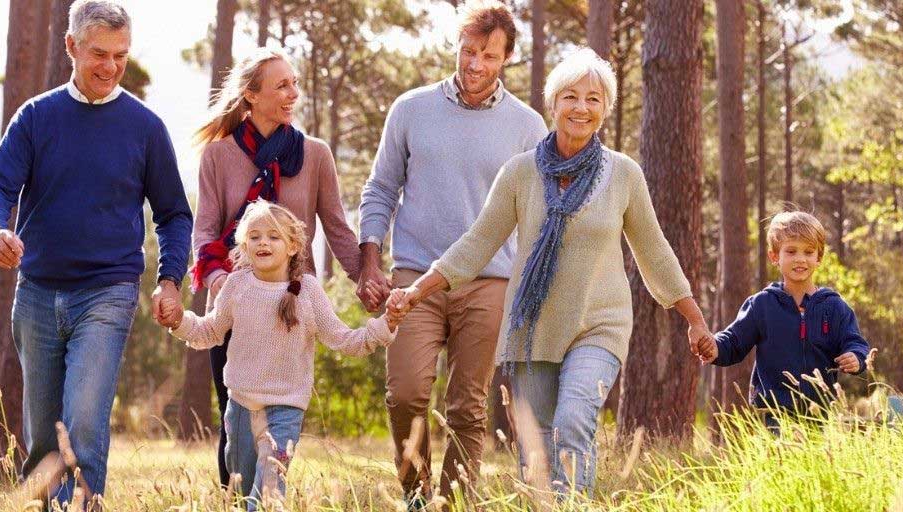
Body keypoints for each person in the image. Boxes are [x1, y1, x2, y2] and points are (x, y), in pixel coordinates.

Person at [388, 48, 712, 494]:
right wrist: (417, 290)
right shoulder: (520, 174)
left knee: (574, 419)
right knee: (536, 451)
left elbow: (654, 251)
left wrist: (694, 319)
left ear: (605, 110)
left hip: (599, 325)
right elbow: (478, 243)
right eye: (571, 96)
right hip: (533, 329)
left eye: (593, 99)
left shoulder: (624, 175)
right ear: (553, 103)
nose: (581, 107)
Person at [0, 0, 192, 503]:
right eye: (99, 53)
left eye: (121, 55)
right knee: (45, 440)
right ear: (71, 46)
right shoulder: (35, 117)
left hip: (108, 291)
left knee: (86, 421)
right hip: (37, 295)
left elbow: (175, 214)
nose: (111, 67)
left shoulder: (145, 128)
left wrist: (169, 280)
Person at [356, 0, 548, 504]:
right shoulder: (411, 109)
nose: (475, 65)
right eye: (467, 51)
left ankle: (455, 501)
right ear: (456, 48)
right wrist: (369, 260)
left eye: (488, 54)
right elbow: (380, 189)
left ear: (506, 57)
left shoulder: (528, 128)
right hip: (414, 277)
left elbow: (538, 214)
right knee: (406, 393)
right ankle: (417, 497)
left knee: (467, 406)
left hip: (489, 281)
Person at [190, 47, 364, 487]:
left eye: (294, 83)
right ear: (251, 95)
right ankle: (233, 496)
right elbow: (205, 232)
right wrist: (223, 285)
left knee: (281, 422)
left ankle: (268, 496)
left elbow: (338, 228)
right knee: (234, 420)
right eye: (282, 85)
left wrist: (366, 278)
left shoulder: (316, 155)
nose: (293, 93)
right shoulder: (217, 156)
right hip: (236, 306)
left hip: (291, 306)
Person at [160, 201, 401, 510]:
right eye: (255, 236)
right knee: (243, 491)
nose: (263, 242)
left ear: (292, 245)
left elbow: (346, 341)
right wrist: (180, 321)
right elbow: (209, 331)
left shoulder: (308, 292)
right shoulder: (236, 285)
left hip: (285, 411)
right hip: (241, 407)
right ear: (245, 245)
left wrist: (387, 324)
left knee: (269, 494)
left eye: (273, 236)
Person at [702, 211, 870, 430]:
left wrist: (856, 358)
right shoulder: (762, 305)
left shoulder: (834, 307)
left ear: (818, 257)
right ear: (775, 257)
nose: (800, 259)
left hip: (819, 413)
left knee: (815, 462)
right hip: (774, 414)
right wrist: (714, 347)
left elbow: (855, 342)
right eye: (791, 251)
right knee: (779, 462)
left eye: (808, 252)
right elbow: (734, 341)